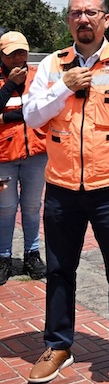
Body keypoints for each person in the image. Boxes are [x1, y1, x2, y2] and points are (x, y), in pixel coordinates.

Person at [22, 0, 109, 384]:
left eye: (91, 12)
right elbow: (32, 116)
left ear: (106, 19)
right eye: (76, 13)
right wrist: (64, 87)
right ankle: (58, 345)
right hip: (61, 188)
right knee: (59, 269)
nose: (83, 19)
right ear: (68, 21)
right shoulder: (53, 65)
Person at [0, 31, 48, 285]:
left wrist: (6, 117)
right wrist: (9, 85)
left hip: (36, 154)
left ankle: (32, 253)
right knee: (5, 208)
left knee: (31, 207)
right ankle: (3, 257)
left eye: (22, 52)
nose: (18, 59)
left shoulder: (38, 76)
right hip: (4, 156)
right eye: (12, 54)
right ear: (1, 55)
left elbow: (45, 108)